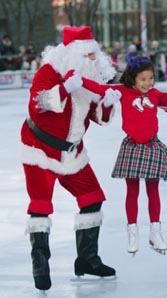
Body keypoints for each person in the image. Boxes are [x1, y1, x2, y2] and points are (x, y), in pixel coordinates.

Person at [78, 56, 167, 255]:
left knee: (153, 190)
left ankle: (155, 231)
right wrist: (78, 79)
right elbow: (98, 88)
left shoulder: (156, 94)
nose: (148, 83)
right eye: (143, 79)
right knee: (132, 191)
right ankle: (132, 232)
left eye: (151, 78)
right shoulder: (122, 92)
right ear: (133, 79)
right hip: (132, 146)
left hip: (151, 145)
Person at [20, 26, 120, 291]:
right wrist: (64, 89)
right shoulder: (49, 73)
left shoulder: (89, 79)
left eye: (93, 55)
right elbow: (37, 105)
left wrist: (108, 102)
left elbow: (99, 118)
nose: (92, 60)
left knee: (93, 198)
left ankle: (87, 259)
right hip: (40, 149)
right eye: (87, 55)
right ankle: (40, 261)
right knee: (41, 205)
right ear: (73, 55)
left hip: (72, 152)